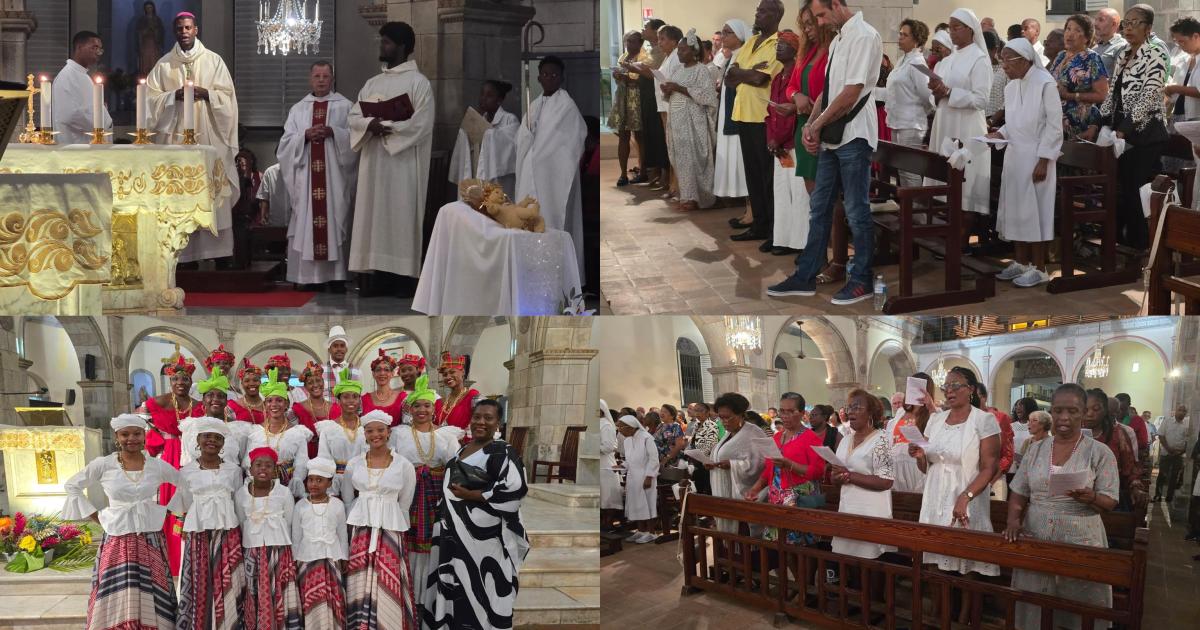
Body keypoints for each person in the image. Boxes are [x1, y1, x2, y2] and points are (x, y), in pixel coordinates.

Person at [766, 0, 882, 305]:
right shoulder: (841, 38)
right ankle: (805, 276)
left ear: (836, 4)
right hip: (832, 136)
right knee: (819, 208)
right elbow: (829, 91)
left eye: (821, 14)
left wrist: (816, 124)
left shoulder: (864, 35)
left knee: (857, 211)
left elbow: (850, 93)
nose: (818, 22)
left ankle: (862, 280)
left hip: (854, 135)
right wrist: (811, 125)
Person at [1003, 384, 1120, 630]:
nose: (1064, 417)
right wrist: (1013, 520)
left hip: (1080, 540)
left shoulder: (1100, 452)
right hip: (1036, 535)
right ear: (1052, 413)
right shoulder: (1036, 449)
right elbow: (1019, 491)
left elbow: (1110, 500)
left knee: (1077, 608)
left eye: (1073, 411)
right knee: (1035, 606)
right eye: (1058, 411)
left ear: (1083, 412)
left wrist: (1092, 498)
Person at [64, 415, 180, 629]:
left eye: (137, 433)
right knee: (116, 585)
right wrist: (96, 516)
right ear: (117, 436)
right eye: (125, 434)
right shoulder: (104, 464)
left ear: (144, 436)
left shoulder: (156, 465)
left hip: (150, 538)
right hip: (117, 538)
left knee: (153, 584)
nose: (131, 439)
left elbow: (184, 485)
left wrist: (168, 512)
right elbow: (72, 486)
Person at [423, 400, 530, 630]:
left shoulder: (503, 451)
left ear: (498, 422)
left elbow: (515, 489)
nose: (481, 422)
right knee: (458, 586)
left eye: (488, 418)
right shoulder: (463, 448)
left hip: (484, 540)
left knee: (482, 587)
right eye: (477, 417)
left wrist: (472, 495)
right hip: (455, 537)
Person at [145, 12, 240, 263]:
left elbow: (228, 98)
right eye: (179, 28)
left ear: (196, 29)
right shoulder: (164, 65)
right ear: (174, 31)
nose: (184, 32)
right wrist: (171, 96)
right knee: (178, 192)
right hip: (176, 139)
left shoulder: (214, 61)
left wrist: (207, 93)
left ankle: (215, 256)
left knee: (211, 189)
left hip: (208, 135)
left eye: (188, 27)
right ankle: (181, 256)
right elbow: (149, 100)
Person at [909, 366, 1001, 622]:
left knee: (967, 559)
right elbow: (927, 465)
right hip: (936, 493)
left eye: (956, 385)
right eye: (946, 386)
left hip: (967, 492)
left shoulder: (984, 420)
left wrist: (966, 496)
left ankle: (966, 616)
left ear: (970, 390)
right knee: (936, 557)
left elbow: (989, 466)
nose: (949, 391)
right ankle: (940, 611)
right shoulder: (936, 420)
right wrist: (918, 455)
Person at [348, 21, 434, 295]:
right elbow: (353, 116)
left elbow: (422, 123)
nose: (381, 46)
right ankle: (377, 277)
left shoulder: (419, 83)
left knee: (400, 216)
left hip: (402, 164)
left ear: (403, 47)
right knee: (374, 217)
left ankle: (402, 280)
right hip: (374, 162)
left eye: (386, 42)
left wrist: (388, 129)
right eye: (382, 41)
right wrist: (369, 124)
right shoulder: (372, 83)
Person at [988, 37, 1063, 288]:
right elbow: (1014, 121)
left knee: (1036, 211)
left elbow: (1054, 126)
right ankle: (1020, 262)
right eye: (1002, 61)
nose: (1004, 67)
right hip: (1015, 156)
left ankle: (1039, 268)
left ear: (1024, 59)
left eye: (1007, 61)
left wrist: (1044, 159)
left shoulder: (1045, 84)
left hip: (1036, 156)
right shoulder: (1011, 87)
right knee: (1016, 210)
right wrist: (1000, 133)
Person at [278, 60, 358, 291]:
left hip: (333, 179)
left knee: (335, 219)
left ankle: (336, 277)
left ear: (332, 79)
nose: (321, 80)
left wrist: (335, 132)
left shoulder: (345, 107)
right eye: (317, 76)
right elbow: (285, 144)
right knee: (307, 222)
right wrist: (304, 135)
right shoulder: (298, 109)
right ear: (310, 79)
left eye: (325, 76)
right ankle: (307, 278)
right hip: (307, 180)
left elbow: (357, 139)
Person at [1100, 5, 1170, 250]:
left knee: (1133, 186)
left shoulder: (1156, 54)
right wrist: (1100, 121)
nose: (1128, 27)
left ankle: (1140, 244)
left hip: (1146, 131)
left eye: (1135, 23)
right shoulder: (1123, 53)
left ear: (1148, 28)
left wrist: (1125, 128)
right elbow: (1113, 92)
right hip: (1123, 130)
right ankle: (1122, 240)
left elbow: (1150, 95)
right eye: (1126, 23)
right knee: (1122, 186)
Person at [343, 410, 418, 629]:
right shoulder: (354, 464)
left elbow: (405, 503)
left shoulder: (403, 465)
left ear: (389, 432)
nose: (375, 435)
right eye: (370, 431)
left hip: (390, 529)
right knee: (359, 577)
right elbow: (348, 499)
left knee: (388, 576)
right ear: (364, 434)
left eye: (380, 430)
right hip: (361, 530)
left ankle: (389, 621)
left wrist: (397, 529)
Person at [388, 374, 459, 606]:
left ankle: (430, 596)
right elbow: (392, 462)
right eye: (417, 405)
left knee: (434, 539)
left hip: (436, 493)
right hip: (409, 492)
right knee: (410, 539)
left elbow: (453, 466)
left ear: (433, 408)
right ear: (410, 409)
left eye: (427, 405)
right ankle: (408, 592)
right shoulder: (399, 433)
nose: (422, 410)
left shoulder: (446, 434)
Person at [168, 417, 245, 630]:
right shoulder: (186, 471)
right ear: (198, 440)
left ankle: (228, 623)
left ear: (223, 444)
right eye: (207, 436)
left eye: (217, 438)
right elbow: (182, 504)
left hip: (227, 531)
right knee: (199, 579)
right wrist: (181, 528)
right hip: (198, 532)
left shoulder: (233, 470)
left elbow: (238, 501)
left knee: (227, 577)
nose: (212, 441)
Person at [516, 55, 588, 274]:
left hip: (552, 175)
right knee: (527, 217)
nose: (549, 78)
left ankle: (552, 271)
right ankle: (528, 267)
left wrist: (541, 152)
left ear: (561, 78)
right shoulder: (535, 104)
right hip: (530, 171)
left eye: (554, 75)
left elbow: (573, 138)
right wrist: (527, 136)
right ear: (539, 77)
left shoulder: (566, 105)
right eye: (545, 74)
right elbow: (522, 137)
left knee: (549, 218)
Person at [928, 9, 993, 245]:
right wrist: (935, 92)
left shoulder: (979, 59)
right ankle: (945, 234)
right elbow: (934, 99)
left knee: (965, 183)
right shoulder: (946, 61)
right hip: (945, 122)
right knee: (944, 179)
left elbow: (981, 99)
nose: (952, 31)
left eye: (957, 27)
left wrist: (949, 92)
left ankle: (961, 238)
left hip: (967, 127)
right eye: (950, 27)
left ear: (970, 29)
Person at [727, 0, 785, 250]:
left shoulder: (779, 43)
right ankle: (759, 224)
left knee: (768, 177)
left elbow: (762, 79)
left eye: (763, 11)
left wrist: (746, 72)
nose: (757, 14)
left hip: (764, 116)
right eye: (757, 10)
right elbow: (730, 76)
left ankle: (774, 229)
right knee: (753, 174)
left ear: (776, 16)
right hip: (743, 114)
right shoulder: (751, 41)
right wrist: (746, 72)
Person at [141, 354, 202, 576]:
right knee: (169, 503)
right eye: (176, 379)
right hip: (168, 455)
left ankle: (189, 553)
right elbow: (143, 423)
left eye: (185, 379)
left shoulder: (199, 405)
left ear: (190, 382)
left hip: (191, 456)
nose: (180, 383)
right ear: (170, 381)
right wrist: (155, 438)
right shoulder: (158, 401)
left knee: (189, 502)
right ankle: (170, 557)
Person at [779, 4, 831, 263]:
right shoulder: (807, 52)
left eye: (812, 23)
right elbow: (791, 86)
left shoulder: (833, 49)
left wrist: (814, 115)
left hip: (824, 126)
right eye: (805, 25)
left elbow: (831, 90)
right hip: (804, 127)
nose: (808, 30)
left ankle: (827, 252)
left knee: (824, 195)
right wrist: (797, 96)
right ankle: (819, 250)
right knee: (813, 193)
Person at [745, 392, 827, 537]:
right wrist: (755, 489)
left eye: (791, 411)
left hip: (799, 501)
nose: (785, 415)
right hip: (776, 498)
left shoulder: (811, 438)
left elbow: (818, 471)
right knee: (777, 546)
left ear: (802, 413)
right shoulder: (777, 437)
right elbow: (769, 469)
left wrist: (789, 464)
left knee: (797, 549)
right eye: (782, 411)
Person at [238, 447, 302, 628]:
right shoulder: (241, 494)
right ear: (250, 469)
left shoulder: (283, 492)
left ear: (275, 469)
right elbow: (242, 523)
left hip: (279, 550)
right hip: (252, 550)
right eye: (258, 465)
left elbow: (289, 522)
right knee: (255, 589)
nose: (263, 469)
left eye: (268, 465)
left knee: (280, 590)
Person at [830, 390, 895, 561]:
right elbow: (835, 476)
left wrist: (850, 476)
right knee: (847, 563)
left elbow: (886, 481)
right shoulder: (845, 440)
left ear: (871, 413)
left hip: (871, 512)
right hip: (847, 509)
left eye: (857, 407)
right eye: (849, 407)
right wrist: (836, 478)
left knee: (870, 565)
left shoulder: (882, 440)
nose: (850, 411)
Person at [662, 29, 719, 210]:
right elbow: (673, 93)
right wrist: (668, 91)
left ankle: (696, 197)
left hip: (693, 121)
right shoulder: (678, 70)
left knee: (694, 158)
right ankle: (686, 194)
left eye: (683, 50)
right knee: (681, 159)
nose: (679, 53)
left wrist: (679, 88)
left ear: (694, 51)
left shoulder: (701, 70)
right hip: (677, 120)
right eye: (678, 50)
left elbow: (708, 96)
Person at [291, 457, 349, 629]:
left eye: (319, 480)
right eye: (310, 479)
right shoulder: (300, 505)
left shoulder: (337, 505)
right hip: (307, 559)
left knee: (332, 596)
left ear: (329, 483)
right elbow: (296, 536)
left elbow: (342, 534)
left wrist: (344, 557)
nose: (313, 484)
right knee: (310, 596)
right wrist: (294, 560)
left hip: (331, 557)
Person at [765, 30, 807, 254]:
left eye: (784, 44)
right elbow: (770, 111)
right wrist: (771, 138)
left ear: (795, 49)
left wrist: (779, 139)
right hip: (779, 146)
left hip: (793, 144)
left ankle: (800, 241)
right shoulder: (778, 77)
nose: (778, 47)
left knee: (798, 193)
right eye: (777, 44)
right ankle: (782, 238)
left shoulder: (797, 76)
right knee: (781, 192)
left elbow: (796, 113)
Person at [244, 367, 313, 499]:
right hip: (260, 485)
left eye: (279, 400)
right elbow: (248, 460)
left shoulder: (298, 433)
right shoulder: (255, 432)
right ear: (265, 405)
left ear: (286, 404)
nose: (274, 404)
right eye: (270, 401)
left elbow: (301, 461)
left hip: (287, 486)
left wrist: (296, 481)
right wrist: (256, 480)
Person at [706, 393, 766, 535]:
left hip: (744, 495)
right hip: (724, 490)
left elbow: (760, 464)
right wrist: (712, 464)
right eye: (721, 417)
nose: (724, 421)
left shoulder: (753, 433)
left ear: (741, 415)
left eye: (728, 417)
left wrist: (733, 465)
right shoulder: (728, 434)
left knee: (742, 536)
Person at [449, 79, 520, 198]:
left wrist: (490, 135)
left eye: (489, 95)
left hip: (499, 179)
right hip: (477, 174)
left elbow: (512, 146)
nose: (483, 98)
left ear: (499, 100)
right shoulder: (479, 120)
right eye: (482, 94)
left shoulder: (509, 119)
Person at [886, 19, 935, 188]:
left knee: (910, 171)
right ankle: (908, 211)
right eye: (900, 34)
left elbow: (928, 95)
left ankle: (917, 213)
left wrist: (917, 113)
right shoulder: (902, 61)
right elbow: (892, 90)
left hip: (911, 124)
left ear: (916, 39)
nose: (900, 37)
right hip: (897, 121)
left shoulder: (919, 63)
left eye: (904, 35)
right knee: (901, 170)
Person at [1084, 389, 1144, 510]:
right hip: (1075, 496)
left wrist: (1135, 487)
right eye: (1085, 409)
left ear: (1105, 411)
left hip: (1108, 498)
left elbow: (1130, 468)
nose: (1089, 414)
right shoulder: (1071, 433)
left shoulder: (1118, 434)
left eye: (1095, 409)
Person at [1051, 15, 1108, 141]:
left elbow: (1102, 95)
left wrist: (1070, 95)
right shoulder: (1060, 56)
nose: (1070, 34)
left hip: (1081, 124)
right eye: (1068, 29)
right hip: (1055, 122)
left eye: (1077, 30)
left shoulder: (1092, 58)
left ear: (1087, 37)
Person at [52, 31, 112, 145]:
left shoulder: (83, 76)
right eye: (94, 47)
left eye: (100, 49)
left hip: (88, 143)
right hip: (75, 145)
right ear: (79, 47)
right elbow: (69, 114)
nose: (99, 53)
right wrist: (101, 121)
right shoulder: (67, 76)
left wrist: (101, 110)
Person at [714, 20, 751, 206]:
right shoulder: (731, 56)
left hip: (738, 117)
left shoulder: (743, 56)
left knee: (742, 164)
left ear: (740, 36)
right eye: (723, 32)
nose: (723, 36)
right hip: (727, 113)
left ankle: (751, 211)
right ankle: (748, 211)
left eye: (728, 33)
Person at [633, 19, 669, 189]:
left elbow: (656, 75)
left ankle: (665, 175)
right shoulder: (652, 50)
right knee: (651, 136)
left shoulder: (665, 54)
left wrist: (637, 68)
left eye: (646, 27)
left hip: (660, 100)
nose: (643, 29)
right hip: (651, 97)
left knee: (660, 138)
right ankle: (656, 172)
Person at [886, 372, 935, 492]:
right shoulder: (901, 412)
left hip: (916, 465)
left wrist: (931, 407)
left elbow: (935, 442)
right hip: (895, 463)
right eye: (911, 386)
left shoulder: (933, 413)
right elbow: (890, 438)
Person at [609, 32, 647, 187]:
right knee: (623, 136)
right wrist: (617, 76)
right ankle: (623, 174)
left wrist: (629, 79)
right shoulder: (623, 56)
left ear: (640, 43)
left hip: (637, 98)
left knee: (640, 136)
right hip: (623, 96)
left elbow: (646, 79)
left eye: (632, 41)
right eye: (627, 41)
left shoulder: (645, 58)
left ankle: (644, 171)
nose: (628, 44)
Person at [616, 413, 658, 543]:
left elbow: (654, 459)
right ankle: (641, 531)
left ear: (631, 427)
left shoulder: (647, 438)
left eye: (621, 427)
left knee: (648, 504)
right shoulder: (628, 441)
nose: (619, 430)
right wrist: (621, 465)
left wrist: (649, 476)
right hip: (633, 477)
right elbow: (630, 461)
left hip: (646, 476)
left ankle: (651, 532)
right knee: (636, 504)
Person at [293, 362, 342, 460]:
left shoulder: (336, 408)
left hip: (332, 457)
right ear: (305, 387)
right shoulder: (297, 409)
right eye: (310, 383)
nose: (315, 385)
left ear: (323, 383)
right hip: (306, 457)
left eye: (318, 381)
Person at [434, 352, 480, 431]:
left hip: (464, 443)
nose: (448, 377)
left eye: (452, 372)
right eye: (445, 374)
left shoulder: (473, 396)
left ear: (463, 372)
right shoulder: (439, 402)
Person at [1155, 404, 1191, 503]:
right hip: (1166, 453)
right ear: (1175, 411)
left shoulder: (1187, 425)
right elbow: (1161, 435)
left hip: (1179, 455)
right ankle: (1158, 495)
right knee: (1162, 474)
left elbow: (1188, 441)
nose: (1182, 412)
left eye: (1184, 411)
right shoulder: (1167, 421)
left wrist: (1181, 451)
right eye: (1180, 410)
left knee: (1174, 476)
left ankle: (1169, 497)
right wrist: (1169, 449)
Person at [1166, 18, 1200, 120]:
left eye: (1182, 41)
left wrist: (1175, 88)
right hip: (1179, 117)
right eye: (1177, 42)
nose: (1180, 46)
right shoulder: (1184, 59)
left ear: (1196, 36)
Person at [362, 348, 404, 427]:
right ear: (373, 374)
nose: (382, 373)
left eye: (386, 370)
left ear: (392, 373)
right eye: (378, 370)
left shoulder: (402, 398)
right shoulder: (364, 399)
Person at [322, 325, 362, 394]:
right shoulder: (321, 370)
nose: (339, 349)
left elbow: (360, 396)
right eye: (335, 346)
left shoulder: (357, 372)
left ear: (346, 349)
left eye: (342, 346)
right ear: (329, 350)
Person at [228, 359, 267, 424]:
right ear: (242, 384)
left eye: (255, 380)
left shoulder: (269, 404)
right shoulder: (232, 406)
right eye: (247, 381)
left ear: (260, 382)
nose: (251, 384)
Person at [1093, 8, 1129, 77]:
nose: (1095, 24)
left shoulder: (1122, 46)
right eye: (1095, 20)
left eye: (1101, 20)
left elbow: (1119, 78)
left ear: (1113, 24)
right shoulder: (1095, 47)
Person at [256, 161, 290, 227]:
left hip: (295, 223)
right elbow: (264, 197)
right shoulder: (270, 172)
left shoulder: (298, 170)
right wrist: (262, 217)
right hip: (275, 223)